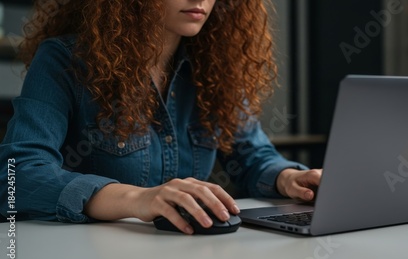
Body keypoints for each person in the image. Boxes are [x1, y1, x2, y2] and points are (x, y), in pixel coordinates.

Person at [0, 0, 321, 234]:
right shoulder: (64, 60)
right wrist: (138, 199)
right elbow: (17, 176)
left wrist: (289, 178)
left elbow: (254, 156)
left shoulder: (215, 69)